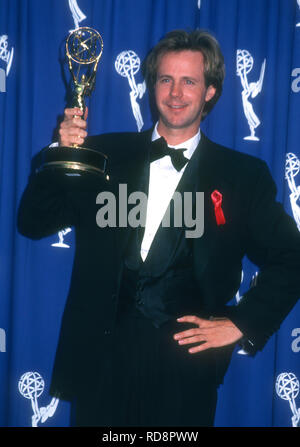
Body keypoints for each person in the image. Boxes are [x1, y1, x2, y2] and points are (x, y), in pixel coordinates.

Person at [18, 29, 300, 427]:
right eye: (166, 79)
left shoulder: (243, 177)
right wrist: (60, 154)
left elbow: (292, 256)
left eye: (190, 81)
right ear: (152, 86)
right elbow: (33, 223)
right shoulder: (103, 154)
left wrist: (242, 323)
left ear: (211, 92)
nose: (175, 93)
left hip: (186, 373)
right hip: (100, 366)